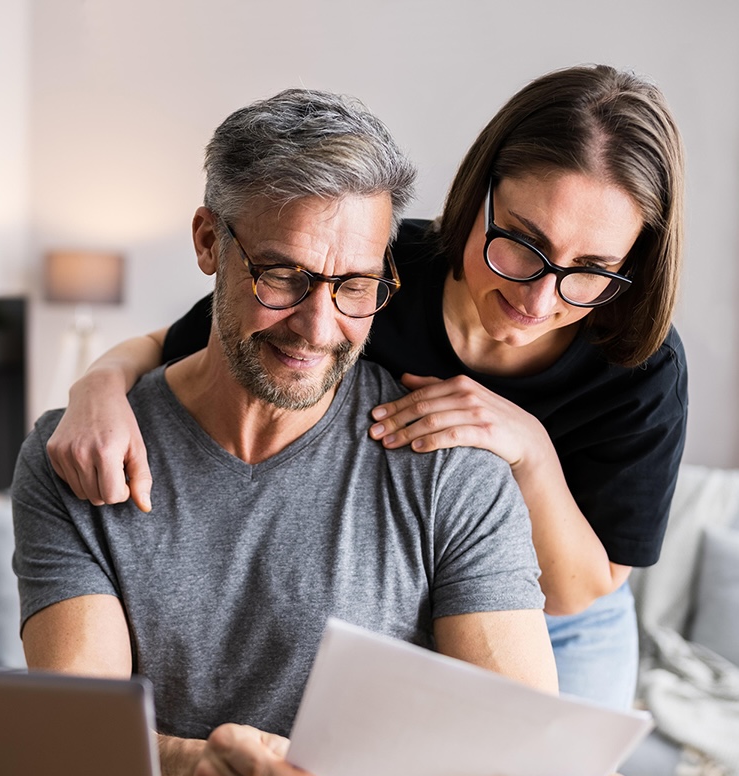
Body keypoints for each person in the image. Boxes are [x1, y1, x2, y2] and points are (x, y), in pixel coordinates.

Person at [14, 88, 637, 776]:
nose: (317, 327)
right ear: (208, 242)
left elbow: (524, 756)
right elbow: (74, 741)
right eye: (282, 275)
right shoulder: (82, 455)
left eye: (355, 286)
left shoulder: (452, 465)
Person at [46, 65, 688, 711]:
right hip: (427, 585)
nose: (538, 296)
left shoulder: (638, 361)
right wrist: (96, 388)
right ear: (476, 197)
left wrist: (529, 450)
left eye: (591, 269)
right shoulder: (366, 269)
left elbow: (579, 590)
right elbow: (178, 344)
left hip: (565, 620)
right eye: (521, 243)